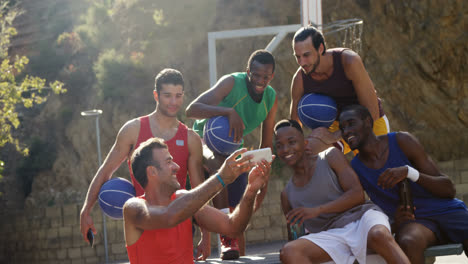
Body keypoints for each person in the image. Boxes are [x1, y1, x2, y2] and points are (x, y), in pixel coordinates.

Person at [79, 69, 211, 260]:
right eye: (167, 96)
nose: (173, 102)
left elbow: (199, 191)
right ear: (156, 95)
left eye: (178, 96)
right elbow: (105, 171)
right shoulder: (133, 130)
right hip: (143, 224)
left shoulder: (190, 139)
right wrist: (86, 211)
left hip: (178, 225)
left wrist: (206, 237)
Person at [339, 104, 468, 263]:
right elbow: (359, 210)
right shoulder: (355, 169)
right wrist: (393, 222)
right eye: (342, 128)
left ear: (367, 122)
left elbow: (449, 189)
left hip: (445, 211)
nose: (346, 132)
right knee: (408, 242)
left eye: (351, 123)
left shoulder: (402, 141)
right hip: (415, 222)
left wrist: (409, 173)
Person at [275, 119, 409, 264]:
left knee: (378, 235)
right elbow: (294, 236)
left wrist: (316, 211)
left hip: (360, 219)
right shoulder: (287, 194)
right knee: (289, 252)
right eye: (279, 145)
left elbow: (357, 195)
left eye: (291, 142)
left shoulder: (330, 156)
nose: (286, 149)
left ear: (305, 143)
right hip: (330, 235)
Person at [185, 49, 278, 259]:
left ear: (271, 76)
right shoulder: (231, 83)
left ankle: (234, 245)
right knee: (220, 167)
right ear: (248, 72)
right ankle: (225, 239)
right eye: (256, 75)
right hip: (203, 138)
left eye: (266, 76)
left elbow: (266, 146)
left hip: (232, 146)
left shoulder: (271, 98)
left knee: (237, 212)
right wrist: (228, 111)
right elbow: (191, 110)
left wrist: (265, 179)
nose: (260, 80)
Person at [124, 137, 271, 264]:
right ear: (152, 171)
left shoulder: (183, 199)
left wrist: (251, 191)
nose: (177, 167)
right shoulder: (133, 208)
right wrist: (221, 178)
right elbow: (168, 217)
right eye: (169, 162)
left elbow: (233, 228)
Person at [289, 25, 389, 154]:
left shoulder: (349, 61)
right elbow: (294, 124)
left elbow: (372, 112)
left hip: (368, 122)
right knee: (312, 156)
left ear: (320, 48)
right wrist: (294, 147)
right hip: (337, 124)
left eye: (306, 55)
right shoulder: (300, 79)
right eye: (297, 57)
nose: (302, 62)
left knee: (378, 169)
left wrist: (335, 135)